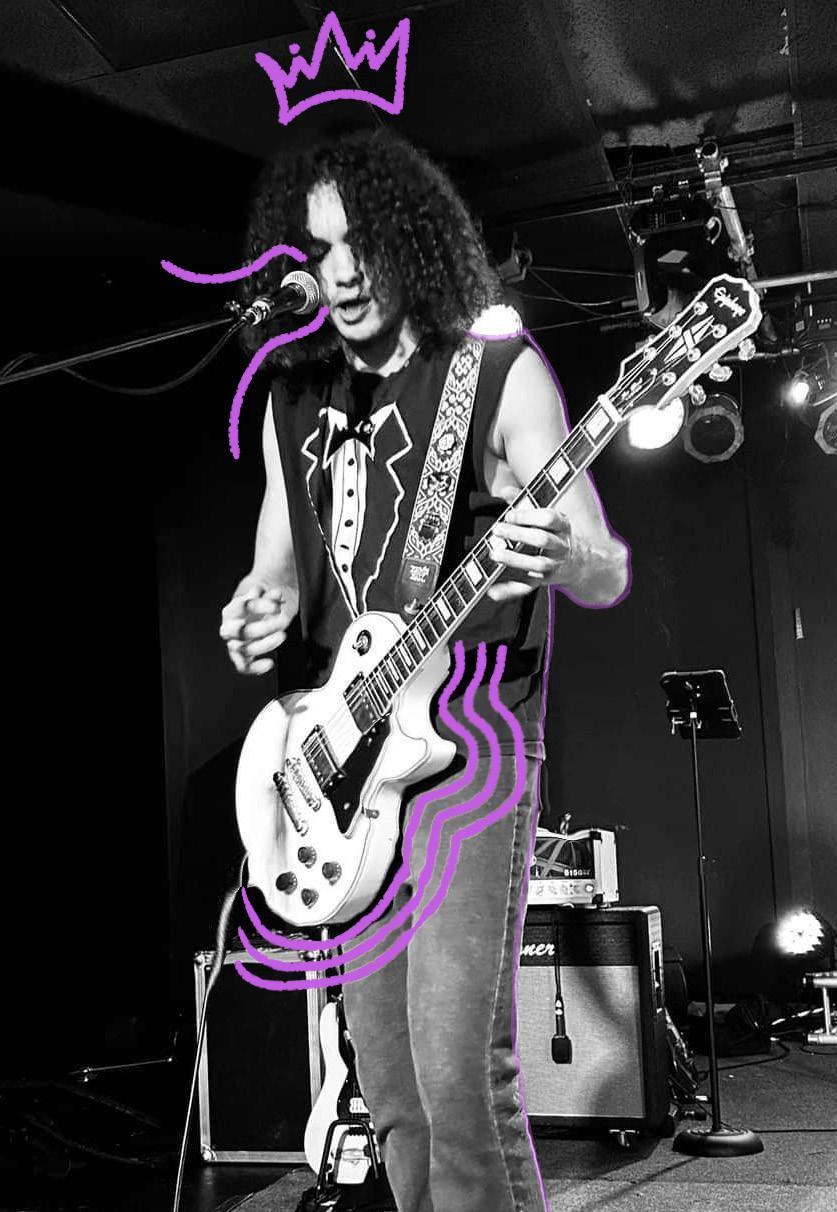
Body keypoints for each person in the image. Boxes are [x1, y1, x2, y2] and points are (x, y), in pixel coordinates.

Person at [220, 128, 629, 1212]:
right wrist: (255, 615)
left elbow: (604, 566)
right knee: (393, 1093)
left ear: (416, 240)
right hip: (345, 764)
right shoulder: (293, 397)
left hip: (469, 750)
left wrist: (566, 554)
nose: (342, 273)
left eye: (362, 242)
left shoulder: (495, 372)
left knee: (458, 1077)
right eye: (319, 250)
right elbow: (274, 577)